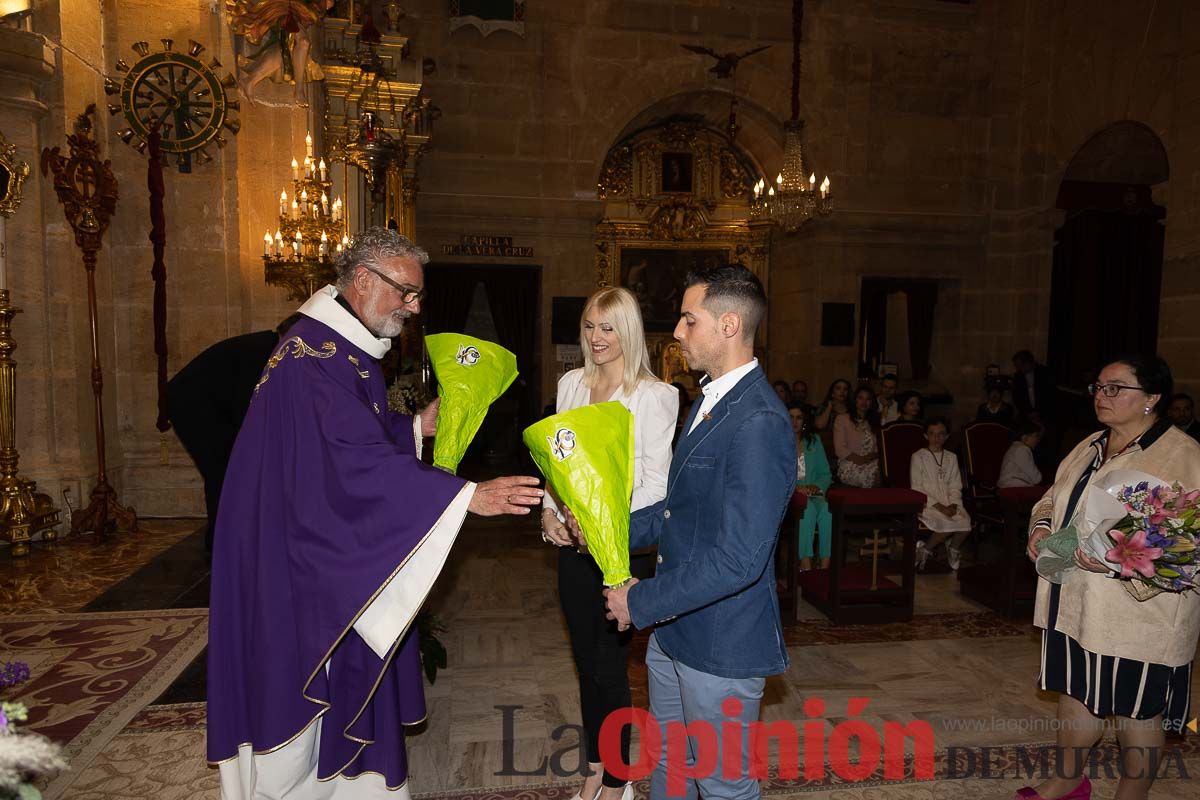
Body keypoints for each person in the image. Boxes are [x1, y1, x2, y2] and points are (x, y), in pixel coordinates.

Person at [206, 228, 545, 799]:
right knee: (300, 705)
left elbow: (347, 440)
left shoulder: (338, 349)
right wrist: (466, 496)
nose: (413, 309)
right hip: (295, 564)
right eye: (405, 292)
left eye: (417, 296)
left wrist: (414, 427)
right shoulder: (312, 358)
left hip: (307, 545)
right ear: (362, 279)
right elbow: (348, 464)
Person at [595, 264, 794, 800]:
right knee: (670, 771)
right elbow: (674, 512)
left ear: (729, 325)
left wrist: (642, 602)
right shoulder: (709, 400)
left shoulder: (758, 421)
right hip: (675, 631)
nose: (677, 332)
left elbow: (738, 560)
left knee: (723, 784)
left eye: (689, 319)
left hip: (721, 643)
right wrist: (597, 529)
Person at [1022, 355, 1200, 800]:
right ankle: (1067, 780)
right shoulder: (1091, 445)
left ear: (1152, 398)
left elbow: (1189, 547)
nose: (1102, 396)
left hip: (1139, 614)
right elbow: (1053, 496)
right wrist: (1042, 527)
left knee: (1137, 713)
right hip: (1075, 600)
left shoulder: (1182, 455)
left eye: (1116, 388)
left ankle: (1131, 796)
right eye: (1099, 387)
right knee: (1074, 692)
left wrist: (1122, 561)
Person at [540, 287, 677, 800]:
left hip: (620, 550)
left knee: (609, 667)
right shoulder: (571, 383)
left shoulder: (654, 394)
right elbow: (560, 462)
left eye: (608, 327)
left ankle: (620, 779)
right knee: (584, 664)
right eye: (591, 326)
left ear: (629, 330)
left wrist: (597, 518)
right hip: (573, 551)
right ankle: (596, 767)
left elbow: (656, 484)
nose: (597, 338)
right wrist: (549, 514)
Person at [166, 314, 299, 551]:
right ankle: (219, 545)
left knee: (226, 472)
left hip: (205, 406)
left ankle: (229, 540)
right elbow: (245, 407)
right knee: (222, 474)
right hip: (189, 405)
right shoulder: (261, 353)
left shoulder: (265, 348)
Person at [910, 418, 972, 570]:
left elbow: (955, 485)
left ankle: (953, 548)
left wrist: (953, 504)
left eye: (941, 434)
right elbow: (917, 487)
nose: (936, 438)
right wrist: (940, 507)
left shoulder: (952, 457)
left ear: (947, 436)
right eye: (932, 434)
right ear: (926, 436)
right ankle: (925, 549)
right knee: (947, 525)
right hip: (928, 502)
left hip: (949, 502)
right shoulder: (918, 457)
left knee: (965, 524)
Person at [790, 403, 832, 571]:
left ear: (804, 420)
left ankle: (824, 565)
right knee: (807, 511)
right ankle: (805, 564)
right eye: (790, 417)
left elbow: (825, 474)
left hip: (814, 493)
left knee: (828, 511)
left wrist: (816, 486)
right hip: (791, 494)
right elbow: (774, 476)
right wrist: (796, 489)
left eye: (798, 417)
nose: (794, 421)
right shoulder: (777, 441)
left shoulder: (814, 441)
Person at [834, 386, 880, 488]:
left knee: (885, 472)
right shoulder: (842, 419)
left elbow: (879, 448)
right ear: (855, 400)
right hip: (850, 464)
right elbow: (840, 448)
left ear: (872, 402)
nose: (864, 402)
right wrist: (861, 459)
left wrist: (870, 458)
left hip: (872, 462)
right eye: (860, 398)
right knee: (876, 476)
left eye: (868, 399)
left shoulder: (874, 421)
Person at [1011, 349, 1055, 424]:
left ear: (1028, 362)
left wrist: (1038, 413)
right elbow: (1017, 397)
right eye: (1016, 366)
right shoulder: (1018, 376)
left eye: (1019, 365)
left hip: (1046, 414)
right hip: (1026, 414)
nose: (1017, 368)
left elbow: (1050, 395)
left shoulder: (1045, 373)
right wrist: (1029, 413)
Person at [997, 420, 1044, 488]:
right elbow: (1037, 478)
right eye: (1036, 436)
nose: (1037, 440)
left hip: (1008, 486)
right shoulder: (1022, 449)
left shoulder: (1015, 447)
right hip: (1013, 487)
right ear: (1024, 437)